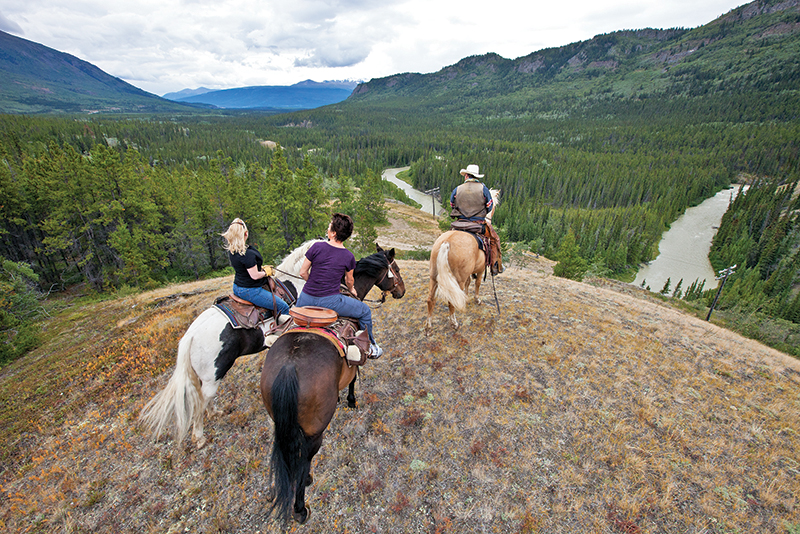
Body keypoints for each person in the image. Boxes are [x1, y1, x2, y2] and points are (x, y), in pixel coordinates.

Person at [296, 213, 383, 359]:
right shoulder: (348, 256)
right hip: (331, 301)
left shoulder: (316, 247)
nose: (328, 229)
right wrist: (352, 290)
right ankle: (371, 346)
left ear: (333, 233)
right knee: (365, 311)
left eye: (329, 226)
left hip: (305, 299)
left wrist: (314, 283)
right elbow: (349, 281)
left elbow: (302, 272)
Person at [221, 218, 291, 322]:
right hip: (251, 290)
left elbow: (245, 268)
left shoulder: (233, 250)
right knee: (284, 306)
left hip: (237, 286)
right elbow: (254, 275)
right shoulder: (247, 254)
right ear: (245, 234)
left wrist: (260, 268)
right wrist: (265, 272)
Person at [450, 164, 503, 274]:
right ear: (476, 177)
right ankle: (495, 267)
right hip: (477, 224)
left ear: (466, 176)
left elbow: (452, 204)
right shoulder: (484, 189)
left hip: (459, 223)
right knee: (494, 239)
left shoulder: (457, 189)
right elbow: (489, 207)